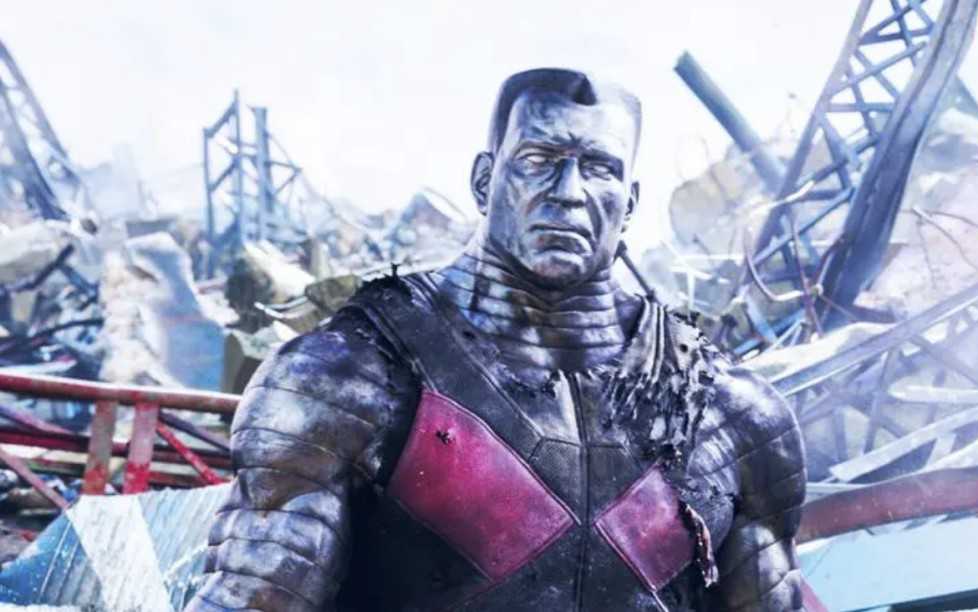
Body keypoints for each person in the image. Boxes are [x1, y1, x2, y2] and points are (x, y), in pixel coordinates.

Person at [187, 68, 808, 611]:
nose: (569, 193)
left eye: (599, 168)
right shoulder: (347, 378)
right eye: (539, 161)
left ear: (630, 203)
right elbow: (252, 597)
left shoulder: (731, 412)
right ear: (485, 180)